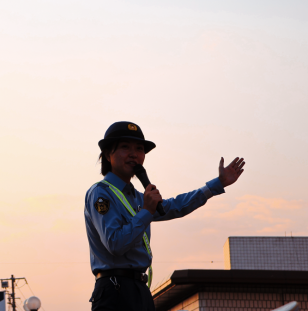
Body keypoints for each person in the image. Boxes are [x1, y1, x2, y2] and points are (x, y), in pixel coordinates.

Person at [85, 121, 245, 311]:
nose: (134, 154)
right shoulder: (100, 193)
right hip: (114, 289)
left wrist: (217, 184)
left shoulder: (138, 196)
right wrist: (146, 212)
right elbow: (115, 243)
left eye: (139, 149)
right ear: (107, 154)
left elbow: (175, 206)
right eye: (125, 147)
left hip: (140, 289)